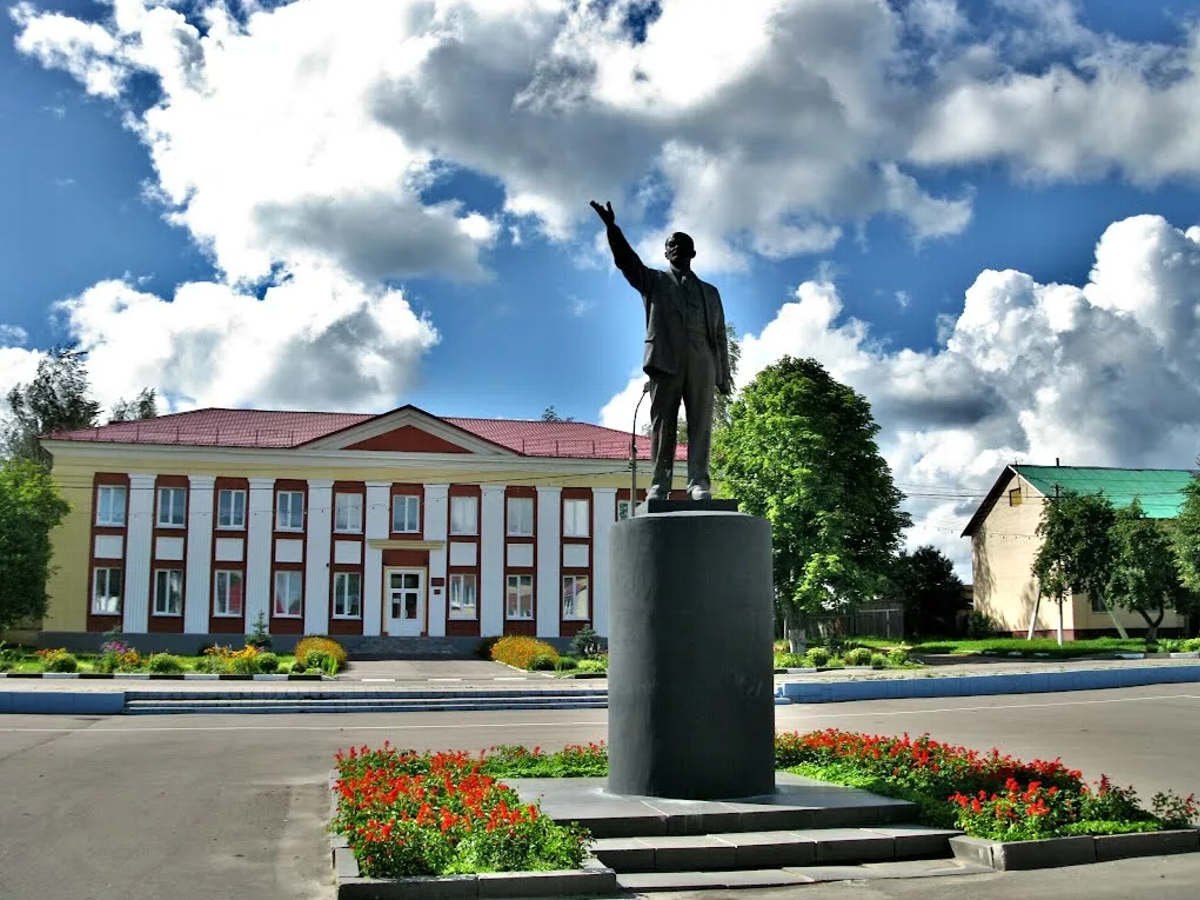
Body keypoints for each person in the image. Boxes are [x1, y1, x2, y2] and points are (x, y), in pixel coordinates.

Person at [590, 200, 732, 501]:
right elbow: (626, 262)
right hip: (666, 360)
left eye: (683, 245)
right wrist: (612, 229)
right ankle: (660, 484)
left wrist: (724, 374)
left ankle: (698, 483)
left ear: (693, 253)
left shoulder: (710, 292)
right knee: (663, 424)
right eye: (671, 245)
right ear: (666, 253)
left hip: (702, 359)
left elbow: (719, 334)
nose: (677, 248)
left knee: (701, 425)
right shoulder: (653, 281)